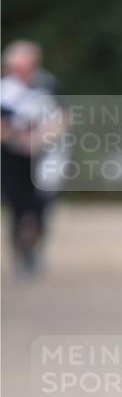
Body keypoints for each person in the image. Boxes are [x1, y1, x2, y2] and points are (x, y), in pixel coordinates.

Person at [1, 40, 64, 275]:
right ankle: (19, 253)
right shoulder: (4, 90)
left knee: (41, 208)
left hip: (44, 158)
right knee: (17, 208)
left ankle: (34, 250)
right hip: (12, 160)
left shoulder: (48, 85)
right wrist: (17, 140)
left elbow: (62, 118)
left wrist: (40, 139)